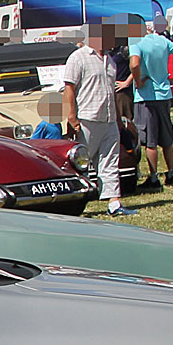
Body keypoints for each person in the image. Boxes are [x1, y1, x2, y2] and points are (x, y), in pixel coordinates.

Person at [63, 23, 134, 216]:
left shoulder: (110, 61)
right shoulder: (78, 57)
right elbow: (69, 88)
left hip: (109, 119)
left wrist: (118, 120)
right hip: (87, 117)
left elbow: (111, 92)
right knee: (81, 163)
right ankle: (73, 203)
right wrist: (71, 116)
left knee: (110, 161)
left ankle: (114, 203)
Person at [128, 24, 173, 188]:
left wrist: (138, 81)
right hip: (164, 94)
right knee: (166, 138)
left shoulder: (136, 43)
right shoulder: (162, 40)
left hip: (146, 96)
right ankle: (171, 172)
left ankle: (153, 176)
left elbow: (135, 64)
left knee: (150, 140)